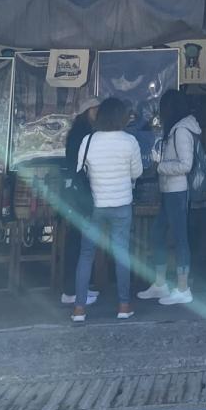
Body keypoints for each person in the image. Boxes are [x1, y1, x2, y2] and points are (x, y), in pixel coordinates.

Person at [72, 97, 143, 322]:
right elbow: (137, 172)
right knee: (121, 254)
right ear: (121, 117)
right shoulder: (130, 141)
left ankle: (79, 309)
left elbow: (79, 170)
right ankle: (123, 306)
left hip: (94, 205)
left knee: (86, 255)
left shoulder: (89, 140)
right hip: (121, 204)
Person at [137, 90, 200, 306]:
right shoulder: (176, 129)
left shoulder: (181, 130)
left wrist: (160, 167)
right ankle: (160, 283)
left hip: (178, 191)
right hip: (168, 190)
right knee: (157, 234)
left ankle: (183, 288)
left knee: (180, 238)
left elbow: (186, 165)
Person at [60, 94, 100, 306]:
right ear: (87, 112)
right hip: (80, 194)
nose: (98, 113)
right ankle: (71, 291)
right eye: (95, 109)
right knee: (77, 241)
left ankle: (78, 287)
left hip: (77, 193)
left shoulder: (79, 132)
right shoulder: (83, 135)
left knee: (79, 240)